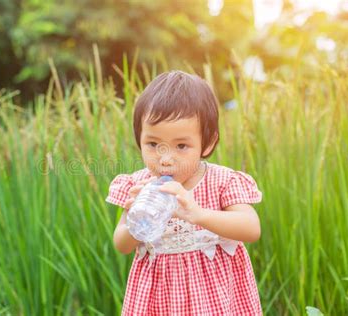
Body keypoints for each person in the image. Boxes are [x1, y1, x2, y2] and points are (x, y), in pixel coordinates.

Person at [105, 70, 263, 315]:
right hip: (158, 300)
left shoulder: (221, 181)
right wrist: (136, 215)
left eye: (181, 146)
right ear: (139, 140)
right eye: (153, 144)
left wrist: (197, 214)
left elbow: (251, 228)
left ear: (207, 143)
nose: (166, 159)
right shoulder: (139, 185)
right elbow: (122, 244)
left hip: (212, 299)